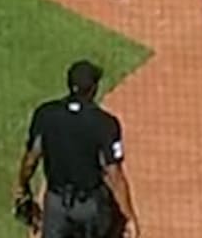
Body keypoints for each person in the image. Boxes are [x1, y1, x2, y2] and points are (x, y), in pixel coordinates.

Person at [14, 60, 140, 238]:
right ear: (93, 89)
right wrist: (129, 216)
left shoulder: (46, 114)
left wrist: (22, 187)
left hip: (56, 205)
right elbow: (114, 174)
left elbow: (31, 159)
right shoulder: (105, 123)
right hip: (90, 207)